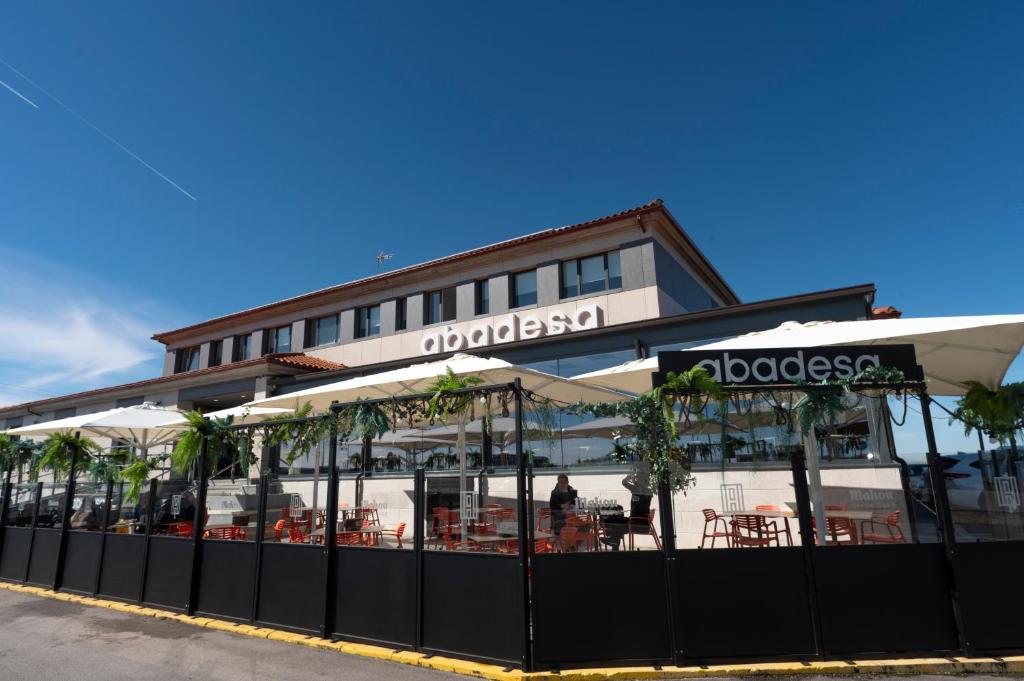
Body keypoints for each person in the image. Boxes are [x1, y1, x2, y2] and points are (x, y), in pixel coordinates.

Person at [601, 465, 654, 550]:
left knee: (614, 520)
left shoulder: (638, 489)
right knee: (617, 519)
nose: (635, 479)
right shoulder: (644, 490)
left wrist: (631, 474)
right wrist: (635, 480)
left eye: (637, 478)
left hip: (638, 524)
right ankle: (614, 541)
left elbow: (624, 482)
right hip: (640, 523)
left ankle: (614, 541)